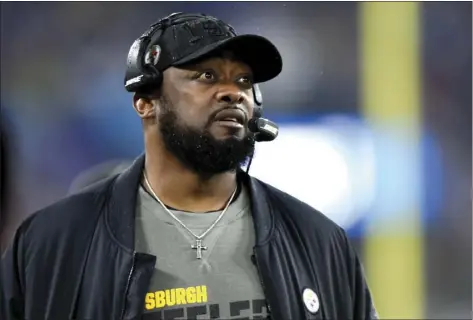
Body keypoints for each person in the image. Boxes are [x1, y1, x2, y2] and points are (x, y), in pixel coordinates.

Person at [1, 12, 378, 320]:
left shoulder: (318, 241)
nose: (233, 91)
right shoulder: (53, 242)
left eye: (243, 80)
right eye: (206, 76)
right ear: (146, 102)